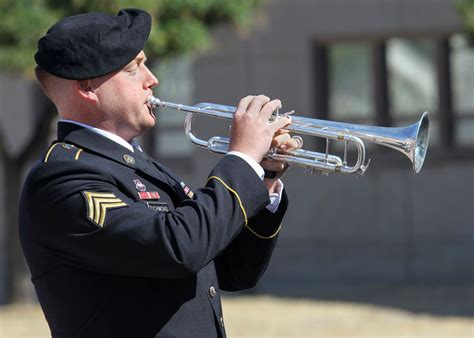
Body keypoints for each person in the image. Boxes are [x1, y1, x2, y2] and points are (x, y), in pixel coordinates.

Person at [19, 8, 298, 338]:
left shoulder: (138, 164)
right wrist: (242, 160)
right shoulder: (62, 180)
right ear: (88, 88)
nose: (152, 79)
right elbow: (179, 248)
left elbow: (234, 271)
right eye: (133, 68)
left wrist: (263, 177)